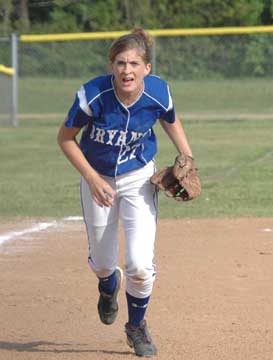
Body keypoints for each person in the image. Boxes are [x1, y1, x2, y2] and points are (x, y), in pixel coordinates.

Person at [57, 27, 194, 357]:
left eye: (134, 63)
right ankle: (107, 285)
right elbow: (65, 138)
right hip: (98, 178)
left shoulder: (158, 92)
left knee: (140, 264)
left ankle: (136, 326)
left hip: (138, 178)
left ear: (147, 68)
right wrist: (91, 178)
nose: (127, 70)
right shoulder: (93, 95)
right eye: (120, 63)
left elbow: (170, 119)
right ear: (111, 65)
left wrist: (187, 156)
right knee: (104, 264)